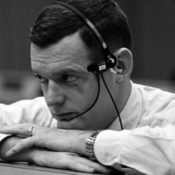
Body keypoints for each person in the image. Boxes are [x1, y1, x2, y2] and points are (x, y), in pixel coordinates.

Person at [0, 0, 175, 174]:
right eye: (41, 78)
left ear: (119, 66)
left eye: (68, 77)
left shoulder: (166, 113)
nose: (52, 99)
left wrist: (78, 141)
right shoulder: (37, 117)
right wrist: (26, 150)